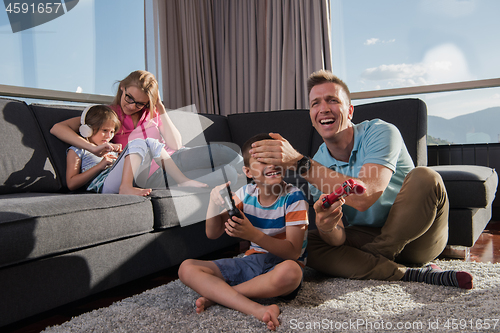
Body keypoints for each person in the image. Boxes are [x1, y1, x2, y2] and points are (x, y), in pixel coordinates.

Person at [248, 69, 473, 290]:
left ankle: (375, 261)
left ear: (350, 111)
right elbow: (337, 239)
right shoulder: (318, 162)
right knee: (307, 245)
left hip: (418, 237)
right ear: (311, 116)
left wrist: (298, 163)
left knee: (426, 176)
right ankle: (408, 274)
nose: (323, 108)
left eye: (332, 100)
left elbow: (365, 196)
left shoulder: (381, 132)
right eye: (315, 103)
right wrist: (328, 226)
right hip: (367, 234)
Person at [178, 133, 312, 330]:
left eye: (274, 159)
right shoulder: (244, 194)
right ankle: (256, 308)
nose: (271, 165)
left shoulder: (294, 198)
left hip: (282, 264)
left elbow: (293, 252)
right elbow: (212, 233)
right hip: (251, 262)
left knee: (292, 272)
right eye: (262, 161)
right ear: (248, 172)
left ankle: (221, 296)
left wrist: (253, 235)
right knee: (186, 268)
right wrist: (213, 204)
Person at [51, 70, 243, 192]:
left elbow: (176, 145)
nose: (132, 106)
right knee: (229, 175)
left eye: (140, 103)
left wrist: (159, 108)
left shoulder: (151, 113)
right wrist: (91, 148)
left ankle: (251, 172)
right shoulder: (107, 117)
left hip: (175, 158)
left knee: (224, 153)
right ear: (122, 89)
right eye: (129, 98)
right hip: (153, 174)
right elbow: (57, 127)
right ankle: (250, 175)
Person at [65, 105, 207, 195]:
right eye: (104, 131)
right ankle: (125, 188)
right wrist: (100, 166)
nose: (109, 136)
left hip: (118, 177)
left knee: (151, 142)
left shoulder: (110, 147)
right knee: (136, 142)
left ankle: (182, 180)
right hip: (103, 185)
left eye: (112, 132)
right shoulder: (78, 150)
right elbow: (71, 184)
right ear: (87, 130)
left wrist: (122, 156)